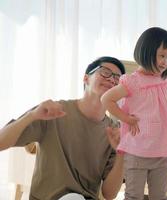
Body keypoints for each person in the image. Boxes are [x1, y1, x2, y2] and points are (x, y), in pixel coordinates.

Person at [0, 56, 126, 200]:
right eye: (105, 72)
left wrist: (121, 152)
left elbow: (109, 194)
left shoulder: (116, 132)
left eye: (118, 78)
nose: (112, 79)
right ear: (86, 79)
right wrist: (32, 116)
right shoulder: (52, 111)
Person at [101, 27, 167, 200]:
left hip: (161, 150)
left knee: (159, 195)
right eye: (162, 55)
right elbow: (107, 99)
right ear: (147, 51)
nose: (165, 62)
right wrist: (126, 119)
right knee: (134, 195)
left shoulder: (164, 79)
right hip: (137, 151)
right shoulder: (133, 82)